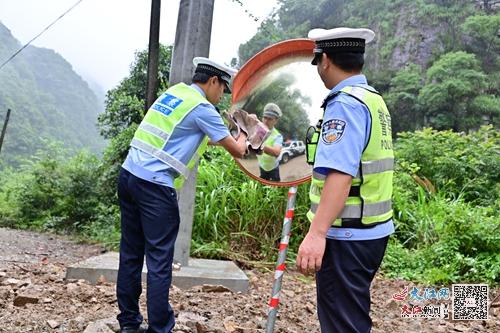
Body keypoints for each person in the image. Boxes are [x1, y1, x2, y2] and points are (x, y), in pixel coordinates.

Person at [116, 57, 248, 333]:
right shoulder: (203, 107)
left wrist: (227, 131)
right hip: (154, 186)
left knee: (130, 254)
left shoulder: (176, 93)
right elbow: (238, 150)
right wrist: (245, 129)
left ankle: (129, 323)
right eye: (222, 87)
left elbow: (199, 135)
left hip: (128, 175)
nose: (222, 94)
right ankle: (160, 328)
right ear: (212, 81)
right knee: (159, 261)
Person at [296, 27, 395, 333]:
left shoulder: (345, 104)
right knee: (350, 316)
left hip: (347, 236)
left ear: (325, 60)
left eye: (317, 63)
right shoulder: (372, 99)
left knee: (343, 324)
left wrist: (316, 234)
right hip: (370, 232)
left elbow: (341, 173)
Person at [257, 103, 283, 181]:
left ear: (276, 121)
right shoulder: (256, 130)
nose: (266, 121)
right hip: (262, 166)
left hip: (273, 168)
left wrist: (258, 144)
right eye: (265, 117)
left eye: (270, 119)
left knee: (276, 188)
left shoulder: (277, 136)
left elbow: (276, 152)